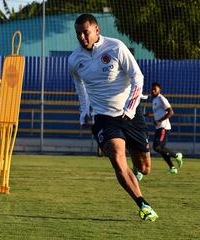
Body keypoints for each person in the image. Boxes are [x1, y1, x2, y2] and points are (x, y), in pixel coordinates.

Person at [68, 13, 158, 222]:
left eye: (85, 32)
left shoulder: (116, 47)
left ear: (96, 30)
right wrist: (84, 111)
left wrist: (130, 107)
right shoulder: (74, 59)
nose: (82, 37)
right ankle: (143, 204)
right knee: (117, 158)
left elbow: (138, 77)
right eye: (78, 33)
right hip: (104, 118)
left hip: (130, 115)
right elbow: (79, 86)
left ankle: (135, 173)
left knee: (144, 167)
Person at [145, 82, 183, 174]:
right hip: (159, 127)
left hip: (164, 127)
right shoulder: (154, 100)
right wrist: (151, 115)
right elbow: (160, 112)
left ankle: (177, 155)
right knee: (161, 148)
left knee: (157, 147)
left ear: (159, 90)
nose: (153, 90)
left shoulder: (161, 98)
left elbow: (170, 112)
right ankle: (172, 168)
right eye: (152, 89)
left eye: (155, 89)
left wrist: (159, 121)